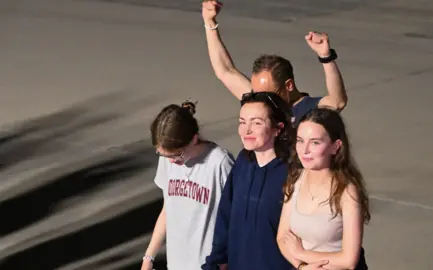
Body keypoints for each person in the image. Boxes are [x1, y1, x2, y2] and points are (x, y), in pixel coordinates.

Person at [202, 91, 328, 270]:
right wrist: (215, 262)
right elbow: (225, 216)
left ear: (278, 128)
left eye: (256, 123)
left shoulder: (296, 172)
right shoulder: (242, 162)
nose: (247, 130)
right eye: (242, 122)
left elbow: (314, 233)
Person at [201, 0, 348, 126]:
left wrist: (325, 57)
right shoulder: (260, 100)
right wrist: (209, 22)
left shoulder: (309, 110)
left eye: (269, 95)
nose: (262, 101)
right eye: (258, 95)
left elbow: (337, 102)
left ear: (289, 85)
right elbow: (225, 71)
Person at [141, 100, 235, 270]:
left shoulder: (219, 163)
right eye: (162, 155)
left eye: (177, 155)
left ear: (194, 139)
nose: (171, 161)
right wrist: (149, 257)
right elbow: (168, 209)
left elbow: (235, 221)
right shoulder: (168, 159)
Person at [277, 108, 370, 270]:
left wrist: (302, 254)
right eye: (300, 140)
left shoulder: (347, 192)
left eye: (315, 142)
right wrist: (301, 267)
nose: (304, 150)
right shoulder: (295, 179)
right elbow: (282, 237)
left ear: (335, 147)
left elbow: (349, 260)